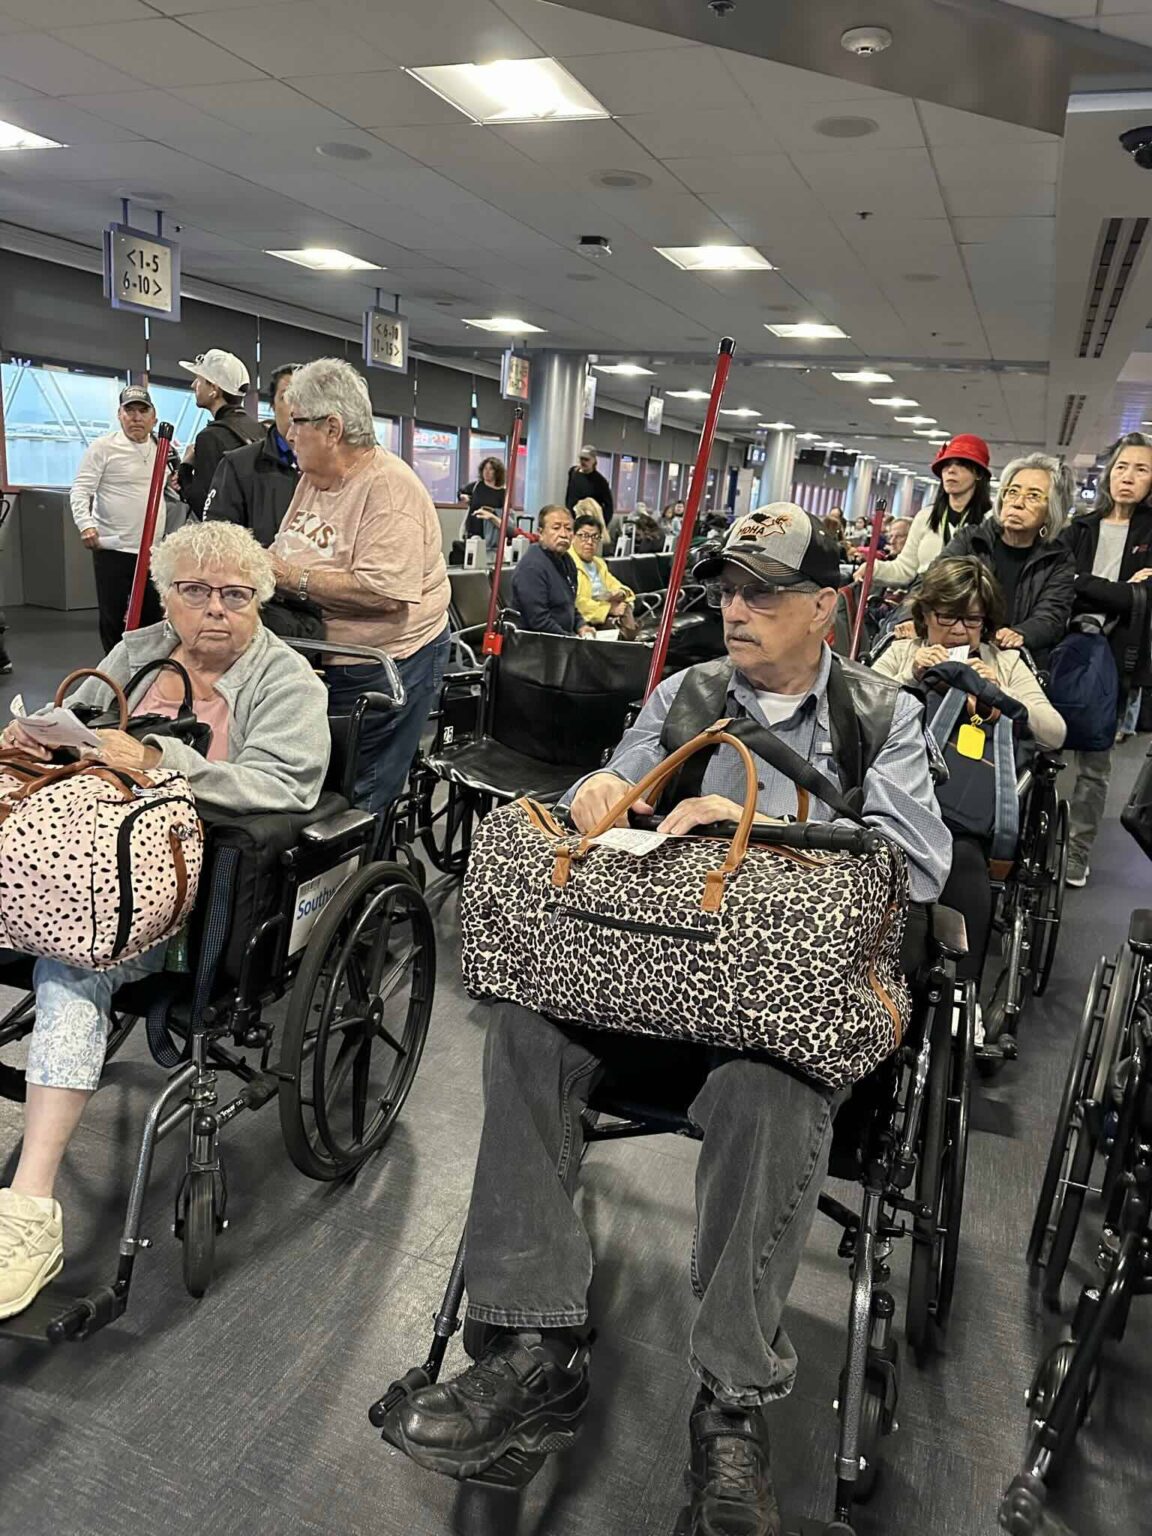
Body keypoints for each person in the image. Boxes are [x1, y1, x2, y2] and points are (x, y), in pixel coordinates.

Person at [384, 504, 949, 1535]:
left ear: (826, 607)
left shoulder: (880, 715)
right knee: (527, 1029)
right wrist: (604, 788)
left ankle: (732, 1400)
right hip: (662, 974)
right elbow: (623, 767)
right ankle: (529, 1345)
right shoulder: (687, 690)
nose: (736, 610)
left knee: (770, 1088)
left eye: (764, 594)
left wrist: (765, 827)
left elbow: (916, 862)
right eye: (728, 590)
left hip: (785, 1000)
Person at [0, 520, 330, 1322]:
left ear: (261, 601)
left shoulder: (288, 682)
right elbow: (77, 714)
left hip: (190, 889)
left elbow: (286, 788)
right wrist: (39, 739)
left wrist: (160, 763)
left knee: (75, 967)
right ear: (164, 594)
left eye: (235, 595)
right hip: (79, 856)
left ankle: (30, 1210)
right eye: (193, 591)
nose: (214, 610)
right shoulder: (139, 648)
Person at [269, 358, 450, 817]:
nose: (288, 434)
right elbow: (287, 546)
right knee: (315, 781)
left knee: (360, 791)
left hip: (385, 661)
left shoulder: (390, 491)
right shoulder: (313, 478)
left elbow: (385, 592)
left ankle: (359, 876)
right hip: (314, 655)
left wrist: (292, 578)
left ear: (332, 428)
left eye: (297, 424)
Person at [872, 558, 1065, 983]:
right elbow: (855, 713)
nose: (960, 631)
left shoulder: (1006, 661)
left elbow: (1054, 732)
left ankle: (960, 998)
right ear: (924, 615)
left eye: (973, 620)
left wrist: (1000, 689)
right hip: (892, 800)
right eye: (948, 617)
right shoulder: (902, 651)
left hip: (963, 811)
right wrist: (911, 675)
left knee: (961, 861)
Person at [1057, 432, 1152, 887]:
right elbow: (1061, 583)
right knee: (1040, 749)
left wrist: (1085, 582)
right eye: (1121, 467)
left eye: (1140, 469)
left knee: (1095, 765)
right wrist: (1122, 590)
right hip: (1066, 649)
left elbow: (1145, 600)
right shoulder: (1079, 528)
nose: (1127, 477)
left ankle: (1077, 852)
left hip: (1118, 658)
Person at [939, 453, 1075, 667]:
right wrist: (908, 618)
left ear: (1052, 509)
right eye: (1012, 492)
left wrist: (1021, 633)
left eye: (1033, 496)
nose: (1017, 503)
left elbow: (1052, 616)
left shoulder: (1058, 558)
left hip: (1015, 660)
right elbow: (931, 584)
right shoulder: (970, 539)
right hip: (958, 650)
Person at [69, 383, 167, 653]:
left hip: (152, 552)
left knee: (153, 619)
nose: (136, 417)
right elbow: (80, 489)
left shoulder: (163, 449)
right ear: (120, 415)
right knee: (113, 618)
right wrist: (86, 525)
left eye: (142, 410)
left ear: (153, 417)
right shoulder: (104, 448)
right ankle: (112, 679)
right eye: (130, 410)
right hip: (115, 549)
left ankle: (149, 676)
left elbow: (170, 489)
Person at [867, 434, 993, 591]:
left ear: (979, 474)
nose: (951, 470)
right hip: (925, 599)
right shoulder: (925, 517)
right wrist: (873, 568)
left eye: (961, 465)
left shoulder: (991, 521)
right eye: (946, 465)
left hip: (970, 601)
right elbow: (905, 569)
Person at [203, 362, 301, 547]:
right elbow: (217, 541)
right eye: (287, 397)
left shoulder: (335, 470)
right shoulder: (238, 466)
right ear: (272, 405)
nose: (296, 409)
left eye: (306, 398)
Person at [176, 348, 262, 520]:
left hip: (228, 539)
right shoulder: (260, 430)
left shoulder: (210, 437)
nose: (193, 385)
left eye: (199, 380)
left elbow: (206, 508)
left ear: (214, 389)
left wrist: (185, 469)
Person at [511, 505, 594, 637]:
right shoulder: (531, 567)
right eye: (556, 528)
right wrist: (572, 640)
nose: (563, 534)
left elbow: (569, 605)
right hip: (535, 644)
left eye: (568, 529)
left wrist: (581, 626)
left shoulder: (567, 560)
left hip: (562, 640)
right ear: (541, 533)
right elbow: (539, 622)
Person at [570, 514, 637, 634]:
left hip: (606, 614)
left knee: (625, 607)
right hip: (585, 622)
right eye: (584, 536)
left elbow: (623, 589)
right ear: (573, 537)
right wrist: (608, 609)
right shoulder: (567, 562)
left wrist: (620, 594)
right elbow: (575, 602)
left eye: (595, 537)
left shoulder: (598, 563)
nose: (590, 542)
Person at [459, 457, 506, 556]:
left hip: (490, 536)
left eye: (490, 469)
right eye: (485, 468)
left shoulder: (502, 493)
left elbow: (504, 515)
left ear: (496, 472)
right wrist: (463, 497)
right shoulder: (477, 486)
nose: (487, 472)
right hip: (472, 531)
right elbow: (460, 492)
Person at [565, 445, 614, 524]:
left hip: (589, 522)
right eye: (581, 459)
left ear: (594, 460)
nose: (583, 462)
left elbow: (609, 506)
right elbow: (569, 494)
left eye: (586, 459)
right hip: (572, 519)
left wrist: (601, 524)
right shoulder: (573, 472)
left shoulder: (600, 481)